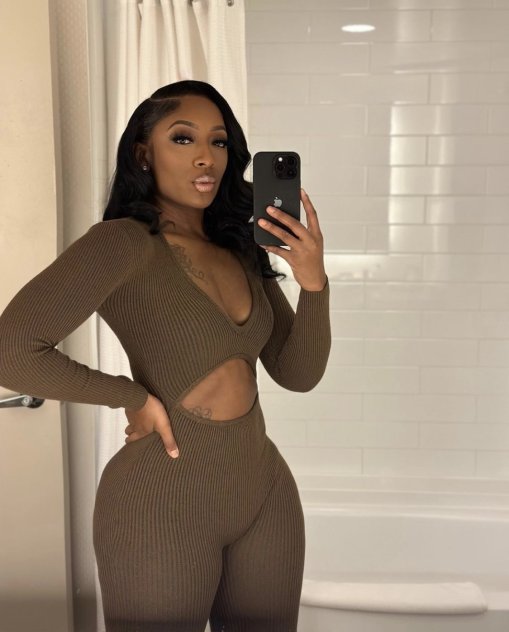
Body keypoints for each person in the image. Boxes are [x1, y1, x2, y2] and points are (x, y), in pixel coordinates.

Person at [0, 80, 330, 631]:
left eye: (219, 142)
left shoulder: (240, 248)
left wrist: (313, 282)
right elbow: (12, 351)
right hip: (162, 499)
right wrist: (131, 397)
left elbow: (299, 374)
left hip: (263, 492)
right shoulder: (122, 243)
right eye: (183, 138)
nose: (206, 157)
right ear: (142, 154)